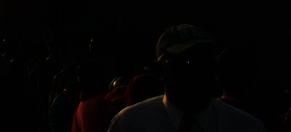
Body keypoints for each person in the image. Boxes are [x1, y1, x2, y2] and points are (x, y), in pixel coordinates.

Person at [107, 24, 266, 131]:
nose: (200, 70)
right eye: (189, 61)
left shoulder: (245, 125)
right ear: (162, 70)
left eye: (207, 59)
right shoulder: (129, 124)